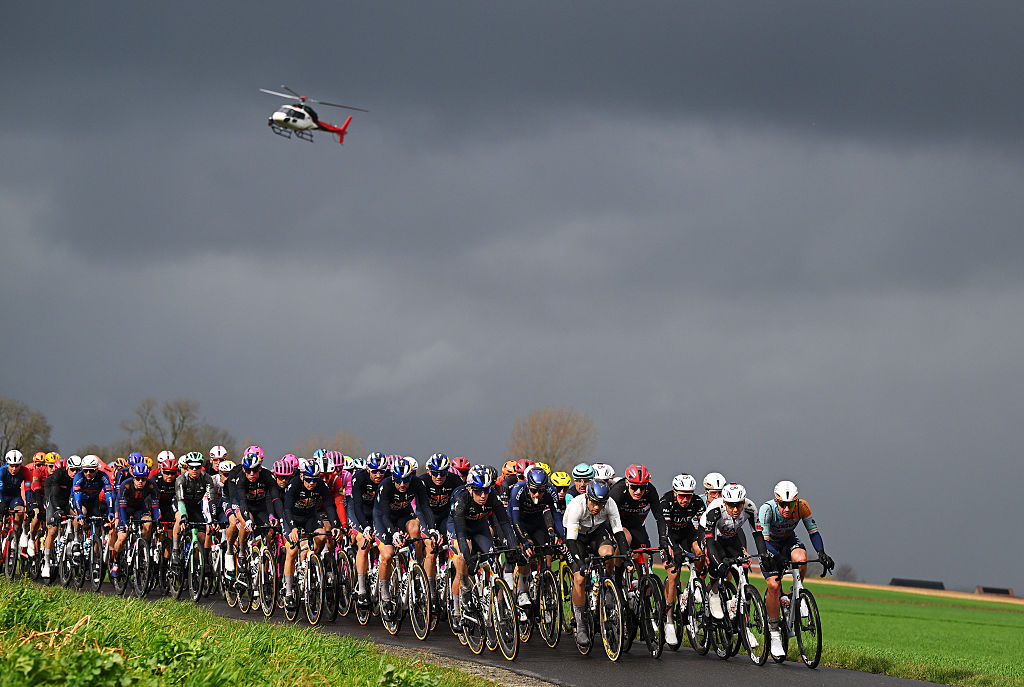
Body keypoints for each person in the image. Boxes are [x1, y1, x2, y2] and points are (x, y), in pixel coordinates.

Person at [758, 480, 835, 658]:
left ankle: (795, 596)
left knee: (801, 558)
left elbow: (813, 532)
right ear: (776, 501)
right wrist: (778, 558)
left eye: (790, 504)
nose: (786, 509)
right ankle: (775, 632)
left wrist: (822, 552)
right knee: (774, 586)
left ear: (796, 502)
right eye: (783, 504)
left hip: (788, 540)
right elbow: (764, 541)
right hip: (769, 546)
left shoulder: (803, 507)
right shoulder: (766, 510)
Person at [562, 480, 632, 648]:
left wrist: (626, 557)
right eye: (594, 503)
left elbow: (618, 532)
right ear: (587, 497)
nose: (597, 507)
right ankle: (580, 625)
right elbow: (571, 542)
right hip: (576, 537)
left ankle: (607, 585)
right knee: (579, 577)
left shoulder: (610, 504)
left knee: (608, 555)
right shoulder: (576, 506)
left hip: (595, 532)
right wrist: (580, 562)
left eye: (601, 504)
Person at [448, 465, 516, 631]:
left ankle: (499, 610)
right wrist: (467, 556)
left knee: (492, 560)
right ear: (470, 489)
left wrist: (514, 547)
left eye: (486, 490)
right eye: (479, 491)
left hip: (479, 526)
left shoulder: (492, 496)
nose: (483, 495)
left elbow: (505, 523)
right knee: (463, 558)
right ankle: (458, 610)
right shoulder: (461, 498)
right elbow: (462, 534)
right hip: (458, 527)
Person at [373, 457, 437, 610]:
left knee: (416, 527)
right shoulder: (386, 485)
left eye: (406, 480)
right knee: (387, 555)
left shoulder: (417, 483)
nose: (403, 485)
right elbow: (384, 515)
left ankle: (417, 565)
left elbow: (425, 507)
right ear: (393, 477)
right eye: (399, 481)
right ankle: (385, 595)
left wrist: (433, 529)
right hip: (383, 517)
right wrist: (394, 533)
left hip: (403, 514)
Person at [699, 483, 768, 621]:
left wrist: (764, 556)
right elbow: (711, 543)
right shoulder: (715, 509)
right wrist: (719, 564)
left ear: (744, 502)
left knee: (742, 570)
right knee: (717, 564)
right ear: (724, 502)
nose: (735, 509)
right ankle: (714, 592)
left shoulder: (750, 508)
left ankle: (743, 622)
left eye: (739, 505)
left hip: (731, 538)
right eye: (731, 505)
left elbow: (758, 535)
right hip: (713, 538)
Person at [282, 459, 342, 611]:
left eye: (314, 480)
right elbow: (287, 508)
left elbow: (329, 505)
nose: (312, 484)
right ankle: (288, 592)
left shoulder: (320, 485)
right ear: (302, 477)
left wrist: (335, 526)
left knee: (322, 536)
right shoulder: (294, 485)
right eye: (308, 480)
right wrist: (293, 528)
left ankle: (309, 561)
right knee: (291, 550)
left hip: (310, 517)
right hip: (292, 518)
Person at [508, 466, 565, 607]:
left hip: (537, 522)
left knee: (547, 551)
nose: (537, 495)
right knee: (527, 552)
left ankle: (546, 592)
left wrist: (564, 538)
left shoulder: (551, 491)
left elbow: (557, 518)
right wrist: (524, 540)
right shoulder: (518, 489)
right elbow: (515, 521)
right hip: (519, 522)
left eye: (541, 491)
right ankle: (523, 592)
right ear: (528, 486)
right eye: (533, 491)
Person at [659, 474, 706, 644]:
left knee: (700, 552)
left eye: (689, 495)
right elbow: (665, 530)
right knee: (673, 574)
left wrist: (703, 546)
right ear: (675, 492)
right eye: (682, 495)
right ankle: (669, 619)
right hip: (669, 535)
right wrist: (675, 550)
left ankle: (697, 585)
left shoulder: (698, 503)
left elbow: (702, 527)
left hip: (687, 533)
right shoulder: (666, 502)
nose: (686, 499)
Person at [348, 452, 389, 607]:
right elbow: (357, 505)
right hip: (358, 510)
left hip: (376, 511)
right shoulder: (359, 478)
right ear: (367, 469)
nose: (378, 474)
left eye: (381, 471)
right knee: (364, 544)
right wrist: (365, 527)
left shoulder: (389, 478)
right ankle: (362, 591)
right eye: (374, 471)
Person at [609, 463, 669, 555]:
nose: (638, 491)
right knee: (626, 540)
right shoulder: (617, 491)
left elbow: (659, 517)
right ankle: (618, 568)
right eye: (634, 487)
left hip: (634, 522)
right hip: (615, 522)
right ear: (627, 483)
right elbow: (609, 518)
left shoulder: (651, 491)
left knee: (645, 553)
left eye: (642, 487)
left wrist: (663, 539)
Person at [110, 463, 158, 578]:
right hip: (125, 509)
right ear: (133, 477)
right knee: (122, 538)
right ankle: (115, 562)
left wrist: (156, 522)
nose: (140, 481)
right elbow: (121, 507)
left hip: (140, 509)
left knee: (148, 523)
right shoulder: (125, 485)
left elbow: (155, 505)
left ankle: (142, 551)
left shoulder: (151, 485)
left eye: (143, 479)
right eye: (137, 479)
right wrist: (125, 523)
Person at [173, 452, 215, 572]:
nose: (194, 469)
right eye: (191, 467)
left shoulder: (207, 478)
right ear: (187, 467)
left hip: (196, 506)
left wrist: (213, 517)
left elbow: (211, 500)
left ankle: (196, 564)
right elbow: (180, 501)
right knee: (180, 518)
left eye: (197, 467)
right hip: (181, 504)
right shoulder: (181, 479)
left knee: (201, 537)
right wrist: (184, 518)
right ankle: (176, 550)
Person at [41, 455, 81, 578]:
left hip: (67, 503)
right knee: (52, 531)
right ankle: (46, 564)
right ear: (68, 467)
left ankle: (75, 540)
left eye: (77, 470)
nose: (75, 472)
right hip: (54, 501)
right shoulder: (59, 474)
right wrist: (57, 510)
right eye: (72, 469)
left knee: (77, 516)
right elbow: (53, 496)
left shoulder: (79, 477)